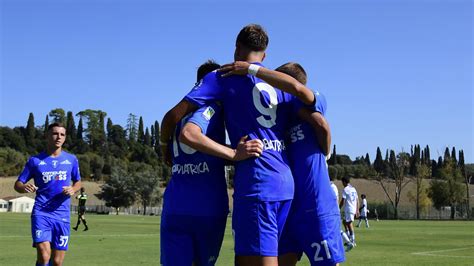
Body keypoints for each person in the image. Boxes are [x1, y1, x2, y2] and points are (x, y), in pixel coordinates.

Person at [161, 24, 303, 266]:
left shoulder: (222, 77)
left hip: (257, 184)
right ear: (265, 55)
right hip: (285, 184)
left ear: (237, 48)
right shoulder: (279, 83)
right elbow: (305, 96)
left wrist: (165, 145)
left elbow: (174, 117)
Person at [220, 61, 345, 265]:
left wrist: (326, 151)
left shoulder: (310, 100)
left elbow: (322, 124)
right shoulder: (278, 116)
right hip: (288, 205)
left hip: (316, 205)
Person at [160, 60, 263, 266]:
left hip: (174, 206)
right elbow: (189, 134)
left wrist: (164, 147)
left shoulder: (181, 113)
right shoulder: (210, 107)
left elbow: (171, 123)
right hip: (205, 208)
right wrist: (234, 153)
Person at [14, 122, 82, 266]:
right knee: (44, 256)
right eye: (55, 133)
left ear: (65, 138)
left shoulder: (71, 160)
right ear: (47, 136)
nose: (59, 137)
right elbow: (18, 184)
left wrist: (73, 189)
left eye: (62, 134)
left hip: (62, 215)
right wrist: (24, 187)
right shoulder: (35, 161)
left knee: (57, 262)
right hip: (41, 212)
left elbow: (78, 182)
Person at [329, 175, 354, 252]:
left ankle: (350, 241)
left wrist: (337, 209)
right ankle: (349, 241)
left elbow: (335, 200)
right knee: (339, 227)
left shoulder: (332, 187)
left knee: (342, 226)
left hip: (333, 211)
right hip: (335, 211)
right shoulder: (332, 187)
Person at [339, 176, 359, 246]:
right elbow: (357, 199)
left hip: (349, 208)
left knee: (349, 224)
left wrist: (338, 208)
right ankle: (348, 237)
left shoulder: (346, 189)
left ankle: (353, 240)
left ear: (344, 182)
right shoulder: (353, 189)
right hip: (352, 208)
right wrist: (357, 210)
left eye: (342, 182)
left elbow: (343, 200)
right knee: (344, 222)